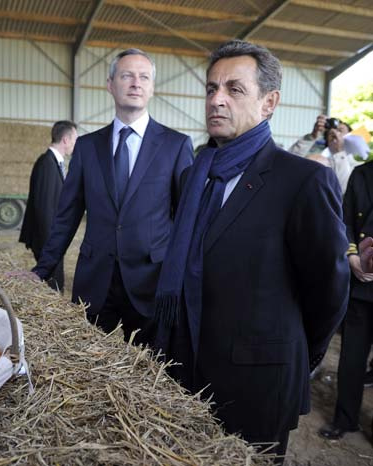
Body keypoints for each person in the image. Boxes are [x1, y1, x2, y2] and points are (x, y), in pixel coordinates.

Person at [153, 40, 349, 462]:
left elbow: (329, 291)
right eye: (211, 89)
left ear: (269, 103)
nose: (216, 100)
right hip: (184, 370)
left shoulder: (302, 182)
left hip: (258, 385)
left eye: (234, 90)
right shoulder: (193, 177)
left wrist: (292, 353)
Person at [33, 48, 194, 346]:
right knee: (90, 367)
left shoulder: (176, 146)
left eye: (144, 77)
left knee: (150, 372)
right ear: (110, 84)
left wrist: (183, 279)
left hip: (151, 282)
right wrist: (42, 269)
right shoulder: (87, 147)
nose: (136, 83)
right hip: (96, 283)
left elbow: (186, 218)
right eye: (127, 75)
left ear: (152, 88)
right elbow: (67, 215)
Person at [319, 161, 373, 440]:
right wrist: (352, 256)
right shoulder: (362, 173)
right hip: (361, 285)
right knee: (351, 358)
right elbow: (347, 219)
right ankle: (346, 418)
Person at [19, 120, 78, 292]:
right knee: (54, 286)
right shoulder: (46, 164)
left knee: (55, 283)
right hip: (47, 240)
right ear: (66, 140)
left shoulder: (54, 163)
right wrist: (51, 245)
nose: (75, 143)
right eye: (75, 139)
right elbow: (43, 208)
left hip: (52, 239)